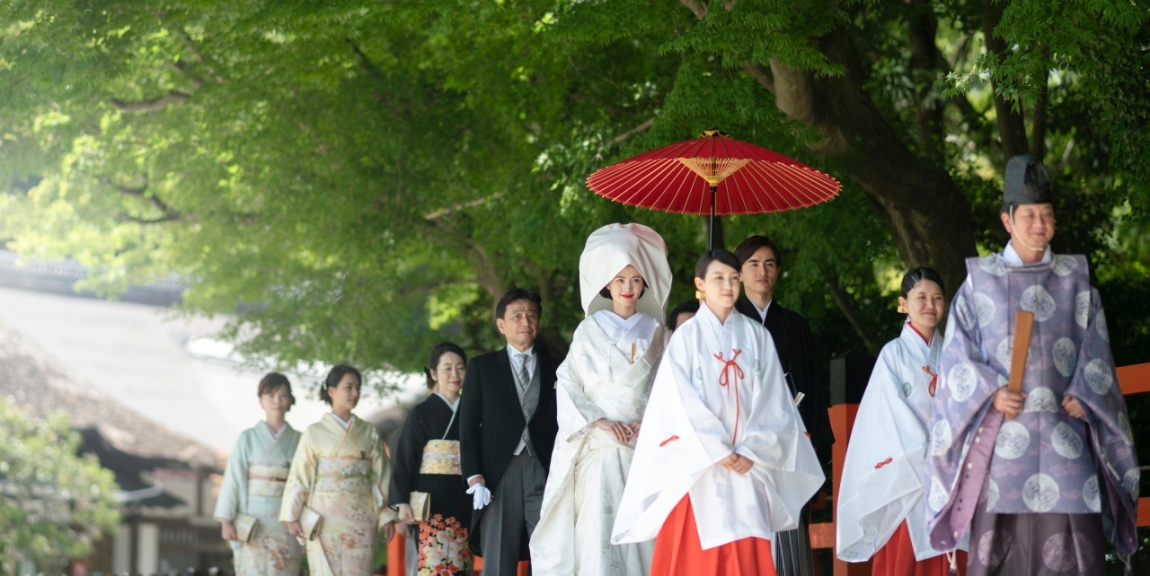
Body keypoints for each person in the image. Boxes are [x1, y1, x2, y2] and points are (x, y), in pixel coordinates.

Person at [924, 155, 1138, 575]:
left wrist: (1086, 391)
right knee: (1003, 553)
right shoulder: (979, 281)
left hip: (1065, 436)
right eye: (1029, 215)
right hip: (1003, 440)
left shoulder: (1075, 278)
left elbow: (1097, 347)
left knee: (1078, 552)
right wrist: (991, 392)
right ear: (1007, 220)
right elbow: (956, 358)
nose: (1039, 224)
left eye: (1047, 215)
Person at [612, 250, 825, 576]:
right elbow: (677, 402)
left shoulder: (757, 336)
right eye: (718, 278)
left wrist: (753, 448)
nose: (727, 285)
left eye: (733, 278)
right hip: (699, 467)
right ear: (700, 284)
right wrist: (719, 448)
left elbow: (774, 400)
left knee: (748, 557)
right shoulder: (686, 337)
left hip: (748, 466)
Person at [531, 223, 673, 576]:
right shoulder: (587, 331)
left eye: (635, 280)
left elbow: (671, 390)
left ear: (644, 284)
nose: (628, 288)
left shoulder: (659, 333)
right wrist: (599, 420)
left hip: (644, 452)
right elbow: (567, 383)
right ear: (607, 284)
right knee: (598, 543)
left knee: (645, 546)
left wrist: (650, 422)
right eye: (620, 280)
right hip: (600, 452)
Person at [836, 268, 968, 574]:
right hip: (911, 478)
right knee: (907, 557)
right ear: (902, 303)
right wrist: (928, 455)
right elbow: (885, 417)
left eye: (937, 298)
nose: (930, 305)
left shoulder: (954, 354)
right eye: (920, 297)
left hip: (953, 474)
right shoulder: (892, 355)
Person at [732, 235, 833, 576]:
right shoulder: (727, 327)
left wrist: (815, 453)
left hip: (789, 447)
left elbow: (814, 393)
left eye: (770, 263)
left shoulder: (795, 326)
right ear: (739, 274)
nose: (763, 271)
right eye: (753, 264)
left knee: (790, 539)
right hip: (743, 451)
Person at [459, 289, 561, 576]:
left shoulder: (557, 368)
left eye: (531, 315)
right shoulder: (482, 367)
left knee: (550, 556)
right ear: (501, 324)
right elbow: (466, 428)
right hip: (498, 475)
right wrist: (474, 475)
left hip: (544, 469)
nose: (525, 321)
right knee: (499, 559)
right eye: (516, 315)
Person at [280, 365, 398, 576]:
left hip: (361, 514)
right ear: (332, 391)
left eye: (358, 388)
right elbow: (300, 476)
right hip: (323, 516)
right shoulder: (314, 432)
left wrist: (387, 514)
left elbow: (384, 475)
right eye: (349, 387)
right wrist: (292, 515)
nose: (355, 393)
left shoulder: (369, 431)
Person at [390, 343, 473, 576]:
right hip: (430, 503)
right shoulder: (421, 413)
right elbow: (405, 459)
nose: (454, 374)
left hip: (463, 499)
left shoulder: (472, 411)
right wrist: (401, 500)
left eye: (460, 368)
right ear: (433, 373)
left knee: (460, 564)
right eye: (447, 368)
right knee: (433, 566)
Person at [214, 373, 303, 576]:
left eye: (282, 395)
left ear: (290, 399)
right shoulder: (248, 438)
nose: (277, 401)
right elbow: (233, 480)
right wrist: (227, 520)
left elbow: (305, 483)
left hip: (286, 518)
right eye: (270, 395)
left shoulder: (299, 440)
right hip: (252, 519)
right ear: (260, 400)